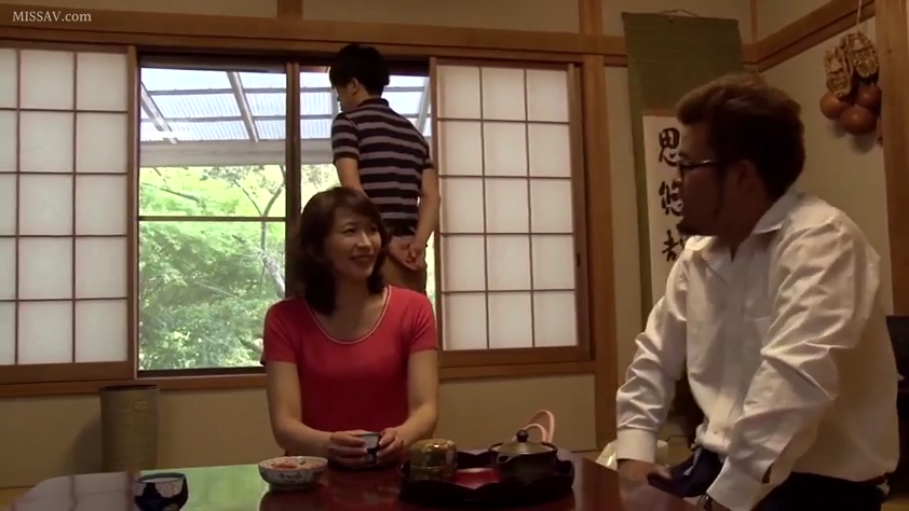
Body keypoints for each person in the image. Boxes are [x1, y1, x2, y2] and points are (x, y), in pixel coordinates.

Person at [614, 73, 899, 510]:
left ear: (743, 176)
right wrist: (634, 456)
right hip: (715, 463)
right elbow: (654, 358)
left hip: (818, 485)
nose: (676, 181)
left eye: (687, 166)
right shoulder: (699, 254)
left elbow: (793, 385)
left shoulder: (823, 241)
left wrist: (724, 501)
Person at [262, 186, 439, 469]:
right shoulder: (283, 319)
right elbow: (284, 425)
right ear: (318, 246)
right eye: (350, 231)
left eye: (372, 230)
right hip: (313, 474)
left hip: (395, 471)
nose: (366, 243)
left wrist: (401, 436)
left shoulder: (415, 308)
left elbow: (426, 409)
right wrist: (328, 444)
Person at [328, 43, 440, 293]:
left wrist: (386, 243)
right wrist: (417, 246)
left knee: (372, 317)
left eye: (339, 92)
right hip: (411, 257)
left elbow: (352, 188)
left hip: (373, 252)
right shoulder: (413, 134)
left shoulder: (347, 123)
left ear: (353, 85)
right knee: (411, 316)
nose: (339, 101)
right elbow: (432, 197)